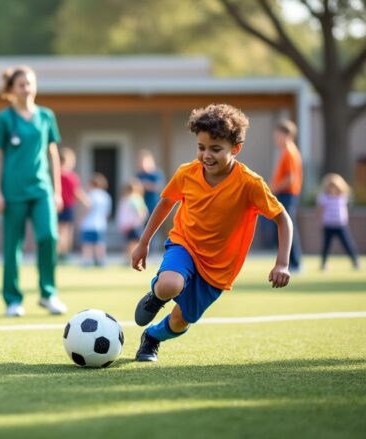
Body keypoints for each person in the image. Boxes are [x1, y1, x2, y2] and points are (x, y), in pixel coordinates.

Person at [130, 103, 292, 362]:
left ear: (235, 149)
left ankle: (152, 337)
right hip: (185, 244)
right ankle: (156, 296)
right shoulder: (187, 173)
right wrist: (144, 242)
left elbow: (283, 218)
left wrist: (282, 263)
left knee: (181, 320)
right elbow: (166, 202)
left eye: (216, 149)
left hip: (219, 267)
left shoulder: (250, 184)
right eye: (201, 147)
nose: (206, 155)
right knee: (170, 285)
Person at [0, 65, 67, 317]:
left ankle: (48, 293)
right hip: (12, 192)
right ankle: (12, 300)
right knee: (13, 247)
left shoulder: (46, 116)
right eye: (21, 84)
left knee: (49, 237)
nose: (27, 88)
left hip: (41, 189)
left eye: (30, 83)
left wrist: (57, 190)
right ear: (11, 89)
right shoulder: (3, 119)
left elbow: (53, 153)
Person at [271, 120, 304, 272]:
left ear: (287, 135)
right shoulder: (287, 151)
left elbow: (290, 179)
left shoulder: (290, 152)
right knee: (285, 226)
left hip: (287, 195)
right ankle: (293, 262)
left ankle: (295, 263)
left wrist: (274, 189)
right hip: (285, 195)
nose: (276, 138)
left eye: (278, 135)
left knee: (288, 227)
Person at [317, 173, 360, 271]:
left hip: (340, 225)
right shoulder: (324, 198)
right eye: (331, 187)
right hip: (328, 225)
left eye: (335, 187)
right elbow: (320, 210)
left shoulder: (342, 197)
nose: (333, 189)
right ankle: (323, 264)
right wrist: (319, 221)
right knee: (326, 246)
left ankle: (355, 261)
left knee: (348, 244)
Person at [57, 147, 88, 263]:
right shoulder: (69, 176)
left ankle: (57, 254)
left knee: (58, 231)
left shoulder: (55, 174)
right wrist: (86, 201)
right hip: (66, 207)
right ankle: (63, 254)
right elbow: (77, 191)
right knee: (65, 232)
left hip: (57, 207)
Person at [79, 173, 112, 267]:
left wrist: (80, 218)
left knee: (87, 245)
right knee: (100, 244)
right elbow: (107, 213)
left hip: (88, 223)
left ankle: (87, 262)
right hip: (100, 224)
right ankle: (101, 261)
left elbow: (87, 207)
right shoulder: (106, 196)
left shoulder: (90, 195)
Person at [116, 179, 149, 265]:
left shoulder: (133, 199)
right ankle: (130, 258)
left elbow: (141, 212)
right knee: (131, 243)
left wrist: (138, 222)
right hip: (129, 225)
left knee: (133, 243)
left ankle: (133, 259)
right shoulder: (130, 199)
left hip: (133, 225)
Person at [135, 149, 165, 224]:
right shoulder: (139, 175)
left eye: (143, 162)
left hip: (154, 206)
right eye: (140, 162)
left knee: (154, 227)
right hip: (142, 207)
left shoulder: (156, 174)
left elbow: (160, 187)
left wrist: (146, 185)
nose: (142, 164)